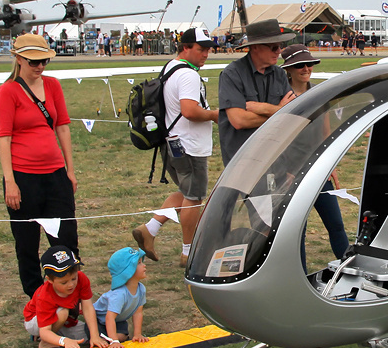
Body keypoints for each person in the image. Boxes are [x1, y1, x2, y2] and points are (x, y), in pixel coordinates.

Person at [0, 33, 80, 298]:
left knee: (66, 239)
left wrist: (70, 170)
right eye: (34, 62)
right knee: (27, 244)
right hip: (23, 178)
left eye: (44, 61)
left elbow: (63, 127)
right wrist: (10, 181)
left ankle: (69, 299)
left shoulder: (53, 85)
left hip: (56, 176)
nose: (40, 67)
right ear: (18, 59)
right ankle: (36, 302)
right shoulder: (8, 91)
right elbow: (4, 138)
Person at [133, 27, 219, 266]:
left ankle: (149, 229)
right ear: (185, 47)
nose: (206, 54)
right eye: (201, 49)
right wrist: (214, 114)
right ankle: (188, 252)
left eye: (208, 49)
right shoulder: (188, 75)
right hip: (189, 146)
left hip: (172, 143)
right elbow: (189, 111)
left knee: (185, 193)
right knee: (194, 198)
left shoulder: (170, 68)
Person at [280, 44, 349, 261]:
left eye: (309, 64)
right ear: (288, 69)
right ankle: (299, 274)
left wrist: (330, 165)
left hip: (318, 169)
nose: (306, 68)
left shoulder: (320, 93)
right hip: (291, 171)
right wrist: (285, 171)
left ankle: (346, 267)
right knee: (298, 228)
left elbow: (326, 131)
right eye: (300, 65)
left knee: (336, 224)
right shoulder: (281, 99)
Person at [217, 18, 296, 166]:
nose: (279, 51)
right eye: (274, 47)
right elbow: (239, 120)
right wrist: (280, 111)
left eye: (281, 46)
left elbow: (293, 116)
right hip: (242, 161)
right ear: (255, 47)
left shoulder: (279, 74)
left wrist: (264, 109)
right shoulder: (232, 74)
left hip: (275, 159)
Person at [23, 246, 120, 348]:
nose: (71, 285)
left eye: (74, 278)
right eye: (64, 282)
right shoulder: (44, 296)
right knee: (62, 312)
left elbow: (87, 307)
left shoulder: (82, 278)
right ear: (50, 280)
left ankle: (57, 336)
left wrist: (94, 336)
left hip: (63, 318)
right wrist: (63, 341)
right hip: (35, 321)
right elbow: (44, 331)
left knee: (86, 335)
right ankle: (45, 343)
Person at [94, 247, 148, 342]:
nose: (144, 265)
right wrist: (114, 341)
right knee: (104, 342)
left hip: (118, 320)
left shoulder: (141, 289)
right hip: (97, 321)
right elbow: (109, 317)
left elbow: (138, 312)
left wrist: (137, 334)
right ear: (128, 271)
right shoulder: (119, 295)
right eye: (139, 263)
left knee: (122, 338)